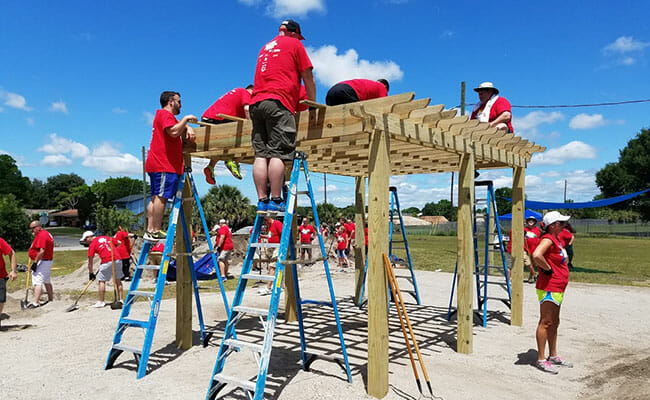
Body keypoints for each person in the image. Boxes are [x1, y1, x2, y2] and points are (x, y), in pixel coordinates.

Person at [250, 19, 316, 212]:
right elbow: (308, 77)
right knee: (278, 153)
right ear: (294, 33)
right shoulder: (295, 44)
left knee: (261, 154)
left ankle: (262, 200)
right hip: (278, 101)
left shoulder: (265, 48)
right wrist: (312, 104)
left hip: (256, 103)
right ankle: (277, 199)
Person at [144, 91, 197, 241]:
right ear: (171, 102)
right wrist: (186, 120)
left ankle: (150, 229)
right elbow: (173, 132)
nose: (181, 105)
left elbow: (175, 127)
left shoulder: (165, 116)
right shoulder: (165, 115)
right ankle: (154, 230)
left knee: (155, 197)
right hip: (163, 164)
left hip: (159, 164)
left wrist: (186, 127)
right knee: (161, 197)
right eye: (179, 101)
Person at [532, 211, 574, 374]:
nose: (564, 226)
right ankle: (541, 358)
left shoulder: (556, 239)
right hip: (549, 287)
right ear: (553, 226)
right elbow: (536, 255)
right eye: (562, 223)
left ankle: (553, 355)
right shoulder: (548, 239)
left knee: (554, 322)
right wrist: (547, 269)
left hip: (557, 287)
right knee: (546, 322)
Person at [201, 85, 254, 182]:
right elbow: (247, 109)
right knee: (249, 138)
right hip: (218, 119)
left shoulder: (236, 97)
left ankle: (210, 167)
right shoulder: (245, 92)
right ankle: (234, 161)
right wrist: (251, 126)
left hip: (207, 120)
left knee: (220, 146)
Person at [82, 231, 124, 308]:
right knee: (118, 279)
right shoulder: (107, 237)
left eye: (85, 240)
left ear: (89, 237)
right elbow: (119, 242)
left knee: (102, 281)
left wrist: (91, 272)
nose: (85, 242)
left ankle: (101, 301)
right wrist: (112, 249)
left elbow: (90, 260)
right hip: (117, 259)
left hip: (107, 261)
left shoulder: (93, 244)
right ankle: (120, 299)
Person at [27, 221, 55, 308]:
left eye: (33, 229)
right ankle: (51, 299)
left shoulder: (42, 235)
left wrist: (35, 263)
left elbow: (42, 251)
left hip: (43, 261)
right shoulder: (46, 234)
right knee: (46, 280)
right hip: (47, 261)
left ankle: (35, 302)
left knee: (37, 280)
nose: (32, 231)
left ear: (38, 227)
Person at [507, 216, 542, 283]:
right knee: (526, 263)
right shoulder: (523, 229)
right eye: (529, 220)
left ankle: (531, 277)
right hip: (524, 249)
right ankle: (534, 275)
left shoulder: (537, 229)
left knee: (532, 264)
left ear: (535, 222)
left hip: (534, 249)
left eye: (532, 220)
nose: (531, 221)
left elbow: (541, 236)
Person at [258, 215, 283, 296]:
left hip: (278, 247)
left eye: (265, 221)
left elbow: (283, 234)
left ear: (268, 219)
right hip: (272, 247)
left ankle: (268, 287)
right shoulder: (270, 226)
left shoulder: (277, 223)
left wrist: (282, 247)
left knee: (273, 267)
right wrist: (263, 236)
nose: (264, 223)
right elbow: (271, 236)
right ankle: (281, 286)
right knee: (278, 268)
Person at [325, 78, 389, 106]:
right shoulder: (382, 87)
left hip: (331, 92)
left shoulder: (368, 84)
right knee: (357, 121)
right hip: (347, 92)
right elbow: (384, 106)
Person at [0, 236, 17, 322]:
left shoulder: (0, 241)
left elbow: (11, 253)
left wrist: (13, 271)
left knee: (1, 299)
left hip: (0, 275)